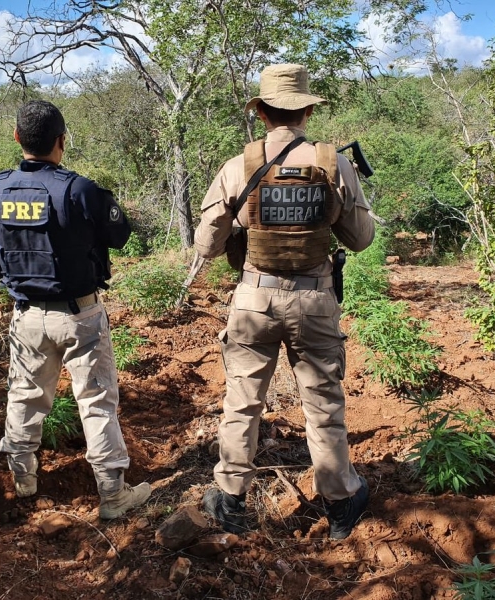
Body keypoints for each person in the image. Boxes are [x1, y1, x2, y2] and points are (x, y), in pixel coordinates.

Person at [194, 64, 375, 540]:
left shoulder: (238, 166)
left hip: (253, 300)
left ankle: (230, 499)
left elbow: (206, 245)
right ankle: (340, 504)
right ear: (307, 110)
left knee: (242, 401)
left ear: (262, 113)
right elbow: (360, 239)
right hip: (314, 299)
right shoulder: (334, 164)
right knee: (323, 405)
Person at [0, 100, 151, 519]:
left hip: (27, 317)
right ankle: (113, 497)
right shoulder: (79, 190)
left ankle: (24, 482)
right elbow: (121, 235)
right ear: (62, 140)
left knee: (24, 397)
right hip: (80, 316)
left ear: (17, 137)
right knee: (97, 402)